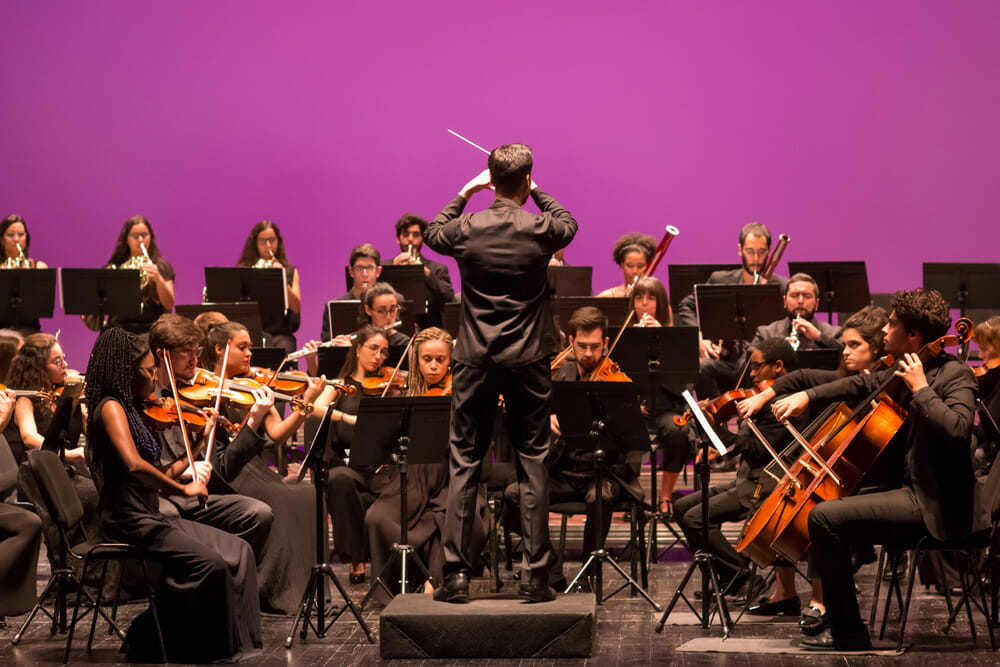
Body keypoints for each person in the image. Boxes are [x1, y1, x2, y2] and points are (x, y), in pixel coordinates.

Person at [772, 289, 976, 650]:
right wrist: (807, 395)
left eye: (893, 324)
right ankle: (840, 606)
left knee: (824, 517)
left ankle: (849, 635)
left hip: (934, 504)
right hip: (907, 493)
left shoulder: (954, 373)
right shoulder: (900, 371)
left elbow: (959, 432)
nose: (884, 329)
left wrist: (923, 390)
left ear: (914, 335)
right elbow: (858, 383)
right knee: (829, 503)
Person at [425, 142, 577, 603]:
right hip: (527, 360)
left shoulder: (467, 228)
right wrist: (538, 191)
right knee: (532, 463)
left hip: (474, 359)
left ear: (490, 179)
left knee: (465, 464)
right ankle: (534, 578)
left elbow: (432, 233)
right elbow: (570, 223)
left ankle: (454, 577)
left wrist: (466, 191)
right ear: (526, 181)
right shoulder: (539, 227)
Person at [83, 327, 260, 663]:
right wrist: (183, 489)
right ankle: (160, 638)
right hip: (128, 520)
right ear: (127, 371)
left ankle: (240, 645)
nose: (153, 377)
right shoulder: (110, 408)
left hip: (149, 513)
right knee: (211, 565)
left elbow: (157, 475)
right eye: (149, 370)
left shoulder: (132, 408)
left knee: (240, 550)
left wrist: (195, 443)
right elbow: (135, 467)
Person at [736, 305, 888, 631]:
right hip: (845, 473)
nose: (845, 352)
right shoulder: (846, 379)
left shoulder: (887, 384)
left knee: (820, 512)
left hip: (877, 477)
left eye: (854, 346)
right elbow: (802, 377)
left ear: (876, 348)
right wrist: (764, 398)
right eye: (844, 345)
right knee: (787, 498)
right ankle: (786, 592)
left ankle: (821, 599)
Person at [192, 318, 324, 614]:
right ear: (219, 349)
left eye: (250, 346)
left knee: (308, 495)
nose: (250, 353)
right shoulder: (203, 388)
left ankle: (304, 589)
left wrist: (306, 404)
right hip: (228, 473)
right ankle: (273, 590)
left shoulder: (251, 387)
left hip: (254, 467)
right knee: (287, 498)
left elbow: (277, 434)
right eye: (243, 347)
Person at [508, 306, 642, 589]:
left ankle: (588, 574)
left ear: (606, 344)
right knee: (513, 495)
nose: (589, 354)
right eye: (582, 346)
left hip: (603, 472)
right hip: (562, 470)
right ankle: (551, 564)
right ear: (571, 342)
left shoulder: (618, 382)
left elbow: (632, 439)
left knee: (600, 498)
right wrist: (547, 420)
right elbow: (526, 417)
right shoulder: (555, 377)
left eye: (595, 347)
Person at [673, 338, 803, 597]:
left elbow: (755, 451)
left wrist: (720, 426)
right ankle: (727, 576)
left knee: (695, 518)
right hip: (747, 480)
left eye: (757, 367)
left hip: (762, 486)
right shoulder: (765, 396)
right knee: (681, 507)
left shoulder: (784, 402)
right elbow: (735, 450)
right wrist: (710, 424)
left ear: (778, 367)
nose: (752, 374)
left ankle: (740, 575)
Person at [364, 328, 485, 601]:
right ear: (416, 361)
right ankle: (392, 590)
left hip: (454, 473)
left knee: (461, 517)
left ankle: (437, 582)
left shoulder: (462, 395)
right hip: (412, 475)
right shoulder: (404, 396)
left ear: (451, 360)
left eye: (441, 359)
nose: (433, 366)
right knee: (376, 517)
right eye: (426, 358)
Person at [146, 315, 274, 559]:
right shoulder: (145, 399)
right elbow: (143, 468)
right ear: (163, 354)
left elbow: (219, 466)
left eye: (198, 352)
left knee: (260, 513)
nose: (196, 360)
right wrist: (185, 469)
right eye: (187, 353)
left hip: (197, 493)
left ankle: (234, 578)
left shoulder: (189, 396)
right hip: (163, 495)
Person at [311, 324, 397, 583]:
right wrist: (347, 418)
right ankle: (356, 560)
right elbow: (316, 407)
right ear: (358, 348)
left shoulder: (388, 384)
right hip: (348, 463)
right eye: (373, 348)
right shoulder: (341, 384)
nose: (378, 356)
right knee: (339, 480)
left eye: (384, 352)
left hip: (381, 464)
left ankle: (392, 559)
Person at [675, 222, 788, 398]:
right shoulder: (721, 280)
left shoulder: (782, 287)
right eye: (750, 251)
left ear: (769, 251)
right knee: (702, 367)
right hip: (725, 361)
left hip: (761, 365)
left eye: (761, 252)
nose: (756, 259)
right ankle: (714, 420)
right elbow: (686, 306)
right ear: (740, 249)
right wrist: (699, 337)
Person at [92, 216, 175, 334]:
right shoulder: (114, 267)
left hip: (150, 330)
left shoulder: (161, 267)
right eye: (135, 236)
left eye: (144, 235)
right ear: (126, 239)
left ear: (150, 237)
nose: (140, 240)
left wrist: (158, 277)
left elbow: (169, 303)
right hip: (119, 330)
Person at [236, 220, 301, 354]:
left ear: (278, 241)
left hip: (280, 334)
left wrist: (281, 278)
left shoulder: (289, 272)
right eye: (263, 241)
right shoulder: (244, 271)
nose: (268, 245)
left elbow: (296, 307)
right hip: (251, 334)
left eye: (272, 240)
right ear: (255, 244)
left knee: (282, 353)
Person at [747, 273, 840, 356]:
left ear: (816, 303)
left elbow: (847, 362)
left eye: (807, 296)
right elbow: (743, 368)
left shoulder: (833, 333)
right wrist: (772, 352)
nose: (800, 301)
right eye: (794, 295)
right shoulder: (766, 333)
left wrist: (820, 337)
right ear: (784, 301)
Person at [390, 214, 455, 328]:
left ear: (423, 240)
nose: (410, 239)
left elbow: (449, 298)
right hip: (394, 327)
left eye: (416, 235)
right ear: (398, 238)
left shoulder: (437, 269)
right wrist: (394, 271)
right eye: (406, 234)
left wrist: (426, 273)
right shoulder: (386, 266)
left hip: (429, 328)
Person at [320, 243, 381, 342]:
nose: (365, 274)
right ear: (351, 272)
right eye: (360, 268)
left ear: (378, 271)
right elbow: (328, 348)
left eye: (370, 268)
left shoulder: (392, 303)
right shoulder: (333, 307)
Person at [0, 215, 48, 333]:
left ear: (26, 238)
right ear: (1, 240)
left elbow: (43, 304)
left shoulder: (39, 267)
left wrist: (30, 279)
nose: (16, 239)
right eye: (10, 235)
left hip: (30, 330)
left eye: (21, 235)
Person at [596, 233, 655, 298]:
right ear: (622, 265)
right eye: (630, 266)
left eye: (640, 266)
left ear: (648, 266)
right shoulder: (607, 296)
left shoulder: (656, 297)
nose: (635, 271)